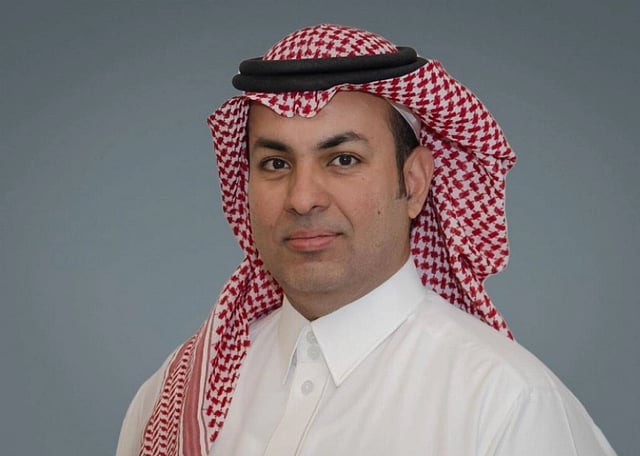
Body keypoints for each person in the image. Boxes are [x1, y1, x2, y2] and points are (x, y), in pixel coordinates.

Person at [116, 24, 615, 455]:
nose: (303, 199)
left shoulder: (505, 403)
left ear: (414, 183)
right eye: (276, 163)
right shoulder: (176, 395)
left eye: (343, 160)